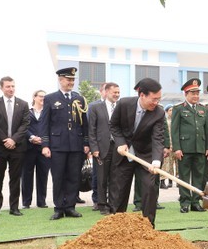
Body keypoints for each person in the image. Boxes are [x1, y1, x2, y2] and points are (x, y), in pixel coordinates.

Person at [110, 78, 164, 226]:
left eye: (158, 99)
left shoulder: (159, 113)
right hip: (124, 154)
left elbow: (158, 138)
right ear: (142, 95)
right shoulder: (124, 104)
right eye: (153, 99)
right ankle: (116, 225)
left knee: (149, 188)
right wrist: (120, 143)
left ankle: (148, 226)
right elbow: (113, 125)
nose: (156, 103)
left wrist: (156, 161)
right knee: (119, 191)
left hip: (146, 156)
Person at [39, 67, 89, 220]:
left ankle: (70, 206)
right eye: (68, 79)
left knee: (74, 177)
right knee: (58, 177)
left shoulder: (79, 99)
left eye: (73, 80)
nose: (71, 82)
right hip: (57, 145)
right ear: (60, 80)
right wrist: (45, 145)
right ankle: (59, 207)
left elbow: (84, 123)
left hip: (76, 144)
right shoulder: (50, 98)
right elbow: (44, 123)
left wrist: (86, 143)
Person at [0, 76, 30, 217]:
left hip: (18, 148)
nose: (11, 89)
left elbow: (25, 124)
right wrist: (5, 139)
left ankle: (14, 207)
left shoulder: (23, 104)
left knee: (15, 178)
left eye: (13, 86)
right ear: (1, 88)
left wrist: (14, 140)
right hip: (0, 147)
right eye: (8, 86)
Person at [171, 78, 208, 213]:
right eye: (192, 93)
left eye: (197, 93)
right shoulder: (178, 109)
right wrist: (177, 148)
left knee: (198, 176)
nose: (195, 96)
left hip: (200, 148)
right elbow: (174, 130)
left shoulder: (203, 109)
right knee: (184, 176)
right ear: (186, 94)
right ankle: (184, 202)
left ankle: (195, 202)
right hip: (184, 149)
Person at [88, 82, 120, 215]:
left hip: (117, 148)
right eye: (114, 92)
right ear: (106, 92)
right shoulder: (96, 107)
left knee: (115, 178)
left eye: (118, 92)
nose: (117, 95)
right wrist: (94, 148)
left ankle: (113, 204)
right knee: (101, 178)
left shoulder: (121, 107)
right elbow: (92, 129)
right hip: (101, 148)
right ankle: (102, 204)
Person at [21, 90, 50, 209]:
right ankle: (26, 202)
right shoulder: (27, 112)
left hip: (44, 148)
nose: (42, 98)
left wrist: (44, 140)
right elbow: (23, 127)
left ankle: (41, 201)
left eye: (44, 97)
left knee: (43, 175)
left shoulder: (48, 112)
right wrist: (32, 137)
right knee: (27, 176)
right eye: (40, 96)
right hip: (29, 148)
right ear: (34, 97)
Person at [160, 104, 176, 189]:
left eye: (173, 110)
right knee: (166, 165)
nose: (172, 112)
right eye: (170, 110)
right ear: (166, 112)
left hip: (176, 146)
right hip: (168, 146)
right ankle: (163, 181)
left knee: (177, 165)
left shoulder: (176, 121)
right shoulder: (165, 121)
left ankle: (175, 181)